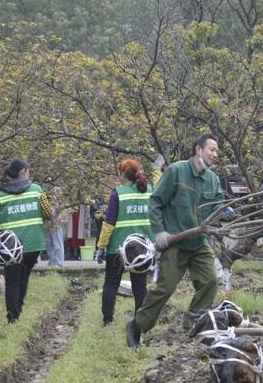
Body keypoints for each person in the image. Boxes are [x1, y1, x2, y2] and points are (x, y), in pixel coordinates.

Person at [127, 134, 224, 347]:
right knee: (164, 288)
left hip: (199, 243)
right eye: (212, 149)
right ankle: (137, 326)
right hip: (175, 244)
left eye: (217, 151)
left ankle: (193, 322)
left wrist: (225, 213)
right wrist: (159, 231)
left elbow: (218, 206)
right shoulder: (176, 171)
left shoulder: (212, 180)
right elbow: (156, 202)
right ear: (198, 150)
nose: (215, 155)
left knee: (210, 281)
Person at [95, 159, 154, 325]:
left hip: (118, 249)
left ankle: (108, 321)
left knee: (111, 285)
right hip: (142, 250)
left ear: (122, 174)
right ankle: (140, 322)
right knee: (140, 287)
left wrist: (101, 247)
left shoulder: (118, 194)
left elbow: (109, 224)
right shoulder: (149, 191)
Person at [0, 158, 52, 323]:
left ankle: (12, 316)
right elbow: (48, 212)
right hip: (33, 244)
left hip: (9, 247)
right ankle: (18, 308)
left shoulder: (0, 194)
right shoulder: (36, 190)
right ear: (23, 172)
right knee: (24, 277)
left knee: (12, 281)